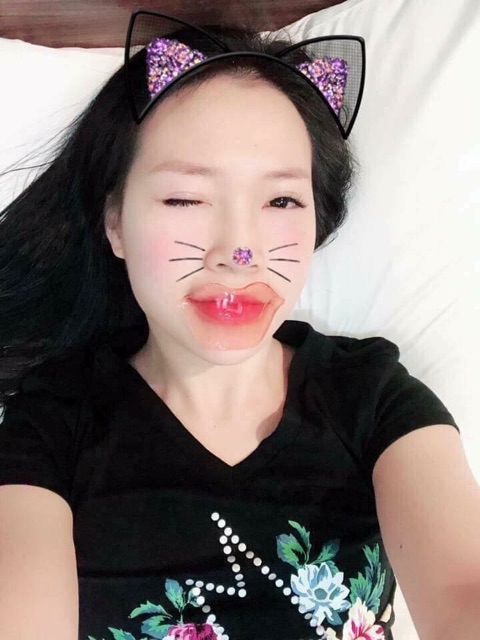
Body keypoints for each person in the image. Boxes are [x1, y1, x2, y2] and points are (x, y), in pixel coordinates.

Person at [0, 10, 479, 640]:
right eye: (186, 198)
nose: (238, 252)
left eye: (281, 200)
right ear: (115, 223)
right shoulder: (52, 422)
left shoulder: (372, 396)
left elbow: (463, 590)